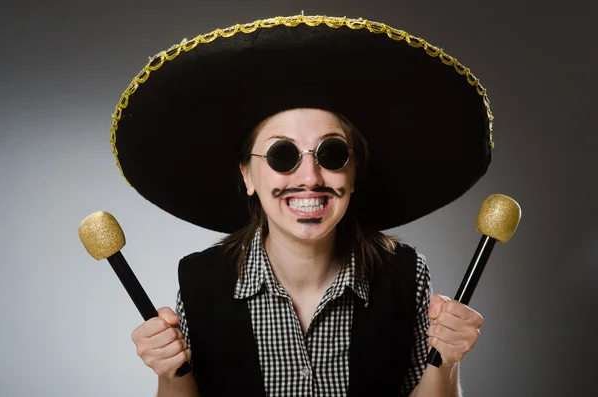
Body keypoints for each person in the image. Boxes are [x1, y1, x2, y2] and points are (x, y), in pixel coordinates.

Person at [112, 15, 493, 397]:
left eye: (332, 153)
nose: (310, 177)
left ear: (354, 173)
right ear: (248, 175)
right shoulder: (201, 282)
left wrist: (448, 357)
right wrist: (169, 372)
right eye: (282, 155)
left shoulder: (406, 275)